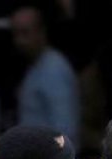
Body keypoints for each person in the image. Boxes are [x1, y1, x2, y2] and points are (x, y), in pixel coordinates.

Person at [11, 5, 80, 143]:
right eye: (15, 34)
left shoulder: (54, 69)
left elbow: (65, 128)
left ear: (41, 32)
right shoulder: (34, 66)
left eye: (25, 33)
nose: (19, 41)